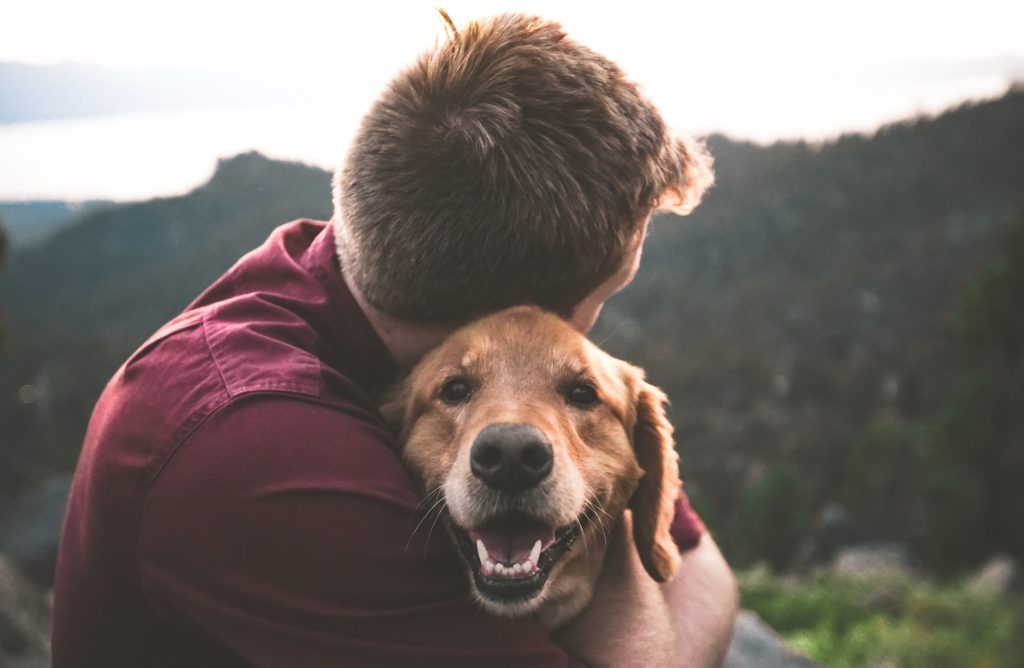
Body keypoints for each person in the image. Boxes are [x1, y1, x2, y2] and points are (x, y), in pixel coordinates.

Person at [52, 12, 737, 667]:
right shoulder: (260, 452)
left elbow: (703, 568)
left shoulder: (353, 274)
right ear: (515, 317)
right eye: (603, 299)